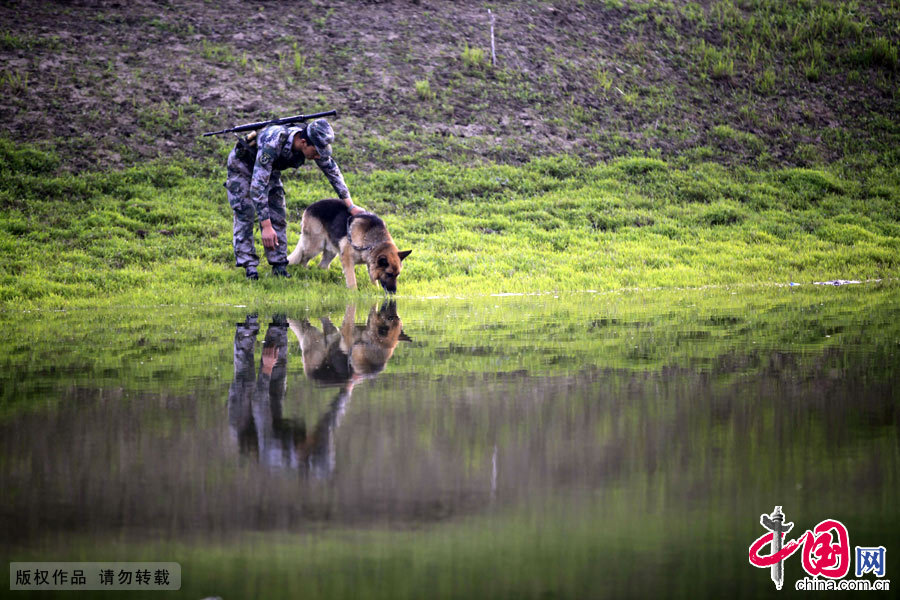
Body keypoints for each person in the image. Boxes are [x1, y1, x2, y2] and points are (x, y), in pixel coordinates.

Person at [224, 118, 364, 280]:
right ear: (304, 142)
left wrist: (350, 206)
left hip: (270, 168)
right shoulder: (273, 141)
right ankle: (249, 266)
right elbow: (257, 187)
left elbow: (333, 173)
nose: (318, 156)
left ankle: (279, 265)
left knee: (278, 212)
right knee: (245, 211)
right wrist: (266, 225)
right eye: (316, 151)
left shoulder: (313, 144)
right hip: (243, 166)